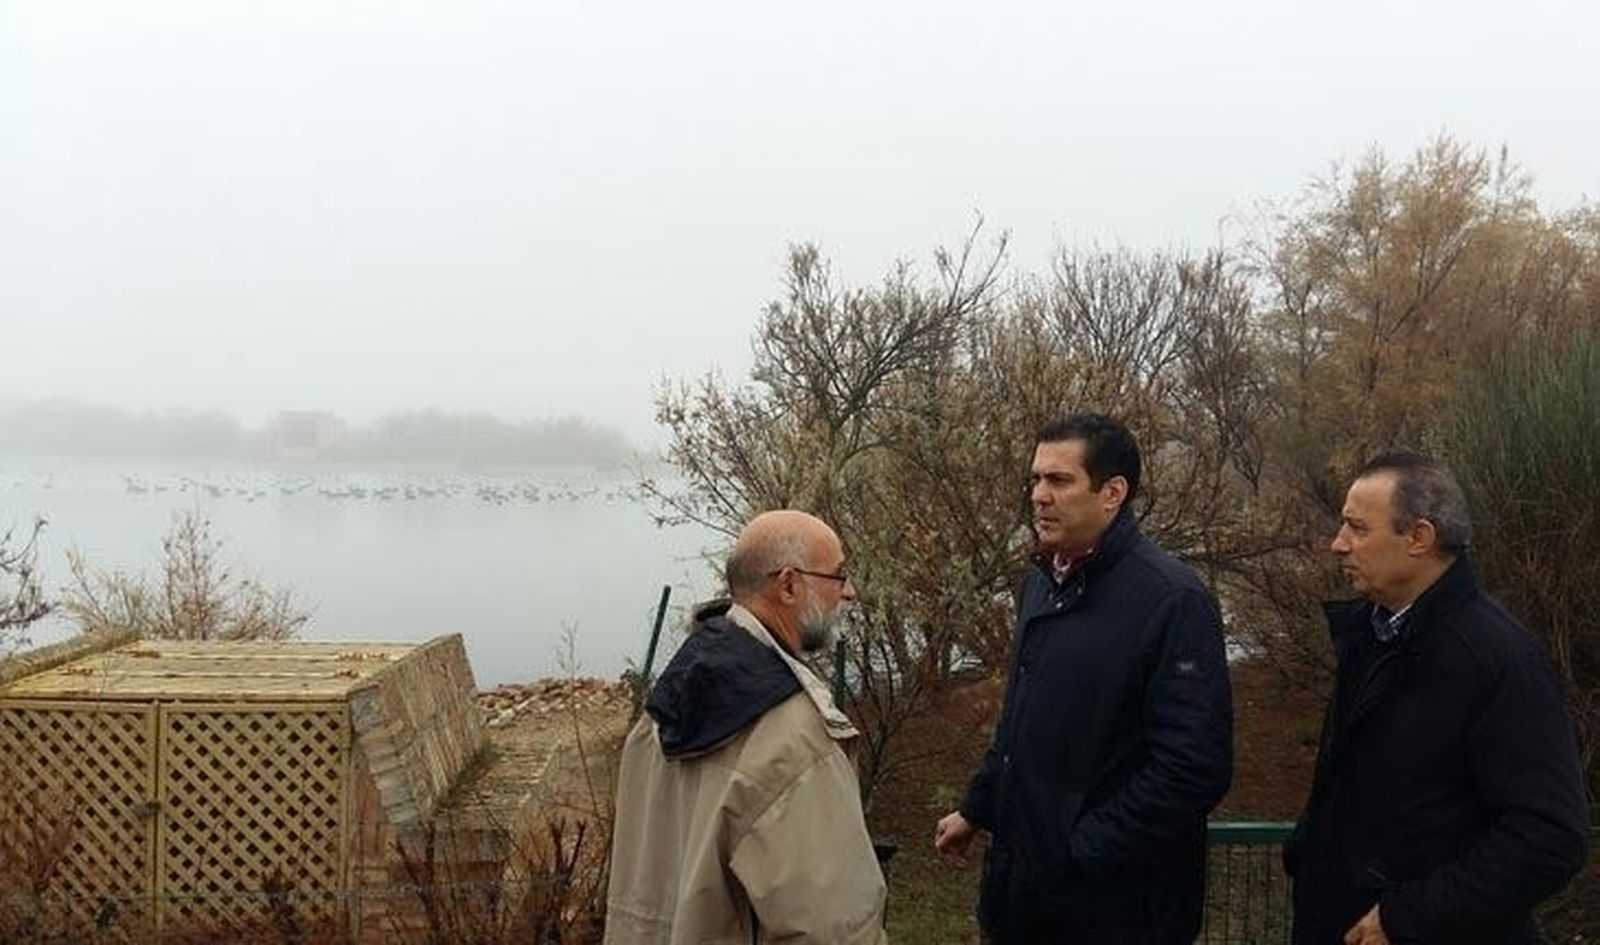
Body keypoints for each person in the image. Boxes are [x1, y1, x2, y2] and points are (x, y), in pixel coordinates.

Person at [934, 413, 1234, 943]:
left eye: (1059, 480)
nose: (1039, 496)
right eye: (1035, 479)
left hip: (1113, 912)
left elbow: (1193, 768)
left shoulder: (1171, 600)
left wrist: (1078, 848)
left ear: (1113, 491)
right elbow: (1020, 725)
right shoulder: (1041, 582)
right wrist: (978, 808)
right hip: (1022, 900)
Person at [1285, 452, 1589, 945]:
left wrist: (1406, 918)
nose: (1338, 545)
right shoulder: (1371, 636)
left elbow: (1550, 837)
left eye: (1357, 529)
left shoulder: (1498, 660)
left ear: (1419, 538)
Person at [603, 509, 887, 945]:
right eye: (839, 575)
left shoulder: (658, 715)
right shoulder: (796, 741)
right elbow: (832, 929)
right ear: (789, 585)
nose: (849, 592)